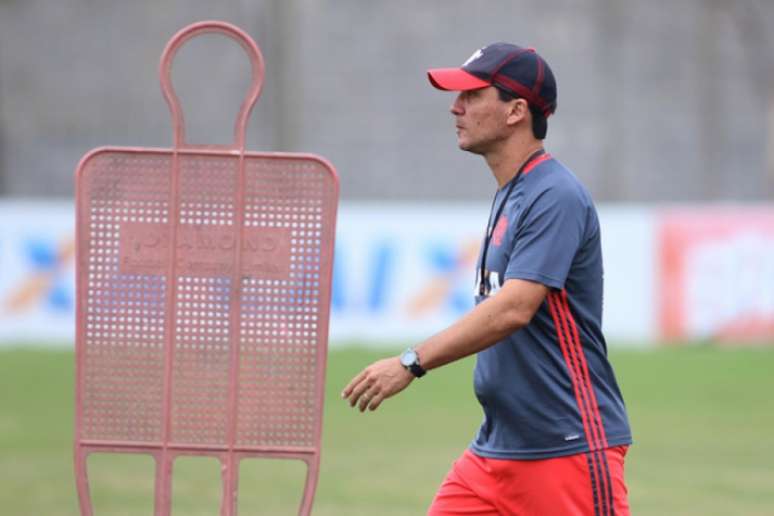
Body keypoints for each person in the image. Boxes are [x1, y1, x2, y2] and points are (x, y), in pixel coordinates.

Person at [342, 43, 632, 516]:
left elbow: (515, 308)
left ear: (516, 111)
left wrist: (411, 362)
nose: (456, 107)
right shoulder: (512, 193)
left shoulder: (554, 194)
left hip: (566, 447)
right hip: (497, 449)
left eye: (473, 96)